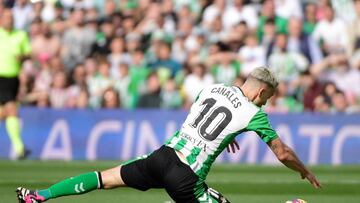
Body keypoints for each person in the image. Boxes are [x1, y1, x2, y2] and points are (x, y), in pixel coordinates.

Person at [16, 67, 321, 203]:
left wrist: (228, 132)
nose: (265, 103)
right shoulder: (255, 114)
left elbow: (203, 115)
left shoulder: (212, 88)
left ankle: (39, 196)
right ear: (262, 90)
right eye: (266, 98)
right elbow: (282, 152)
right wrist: (304, 170)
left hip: (161, 157)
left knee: (104, 179)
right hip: (186, 176)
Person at [0, 9, 31, 160]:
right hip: (1, 76)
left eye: (11, 17)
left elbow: (29, 53)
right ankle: (19, 148)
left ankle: (19, 148)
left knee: (4, 113)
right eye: (6, 17)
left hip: (12, 79)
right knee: (12, 110)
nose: (9, 20)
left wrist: (23, 56)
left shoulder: (21, 35)